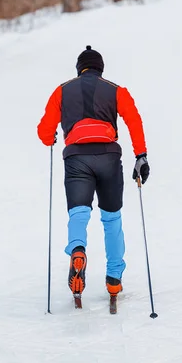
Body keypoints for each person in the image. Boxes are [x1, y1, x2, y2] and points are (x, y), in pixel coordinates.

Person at [37, 45, 150, 299]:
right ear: (101, 69)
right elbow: (134, 120)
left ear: (79, 69)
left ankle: (78, 250)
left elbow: (44, 132)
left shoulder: (62, 91)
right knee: (111, 219)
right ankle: (113, 278)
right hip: (109, 157)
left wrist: (51, 136)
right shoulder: (116, 90)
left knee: (79, 213)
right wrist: (140, 156)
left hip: (77, 157)